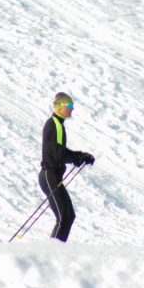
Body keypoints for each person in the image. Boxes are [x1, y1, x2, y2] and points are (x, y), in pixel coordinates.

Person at [39, 92, 95, 242]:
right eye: (69, 106)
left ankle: (55, 249)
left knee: (68, 216)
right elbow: (59, 155)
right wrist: (77, 157)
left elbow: (60, 151)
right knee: (65, 217)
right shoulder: (55, 125)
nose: (72, 109)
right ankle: (52, 252)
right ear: (60, 107)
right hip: (49, 175)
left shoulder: (57, 124)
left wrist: (79, 155)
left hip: (52, 175)